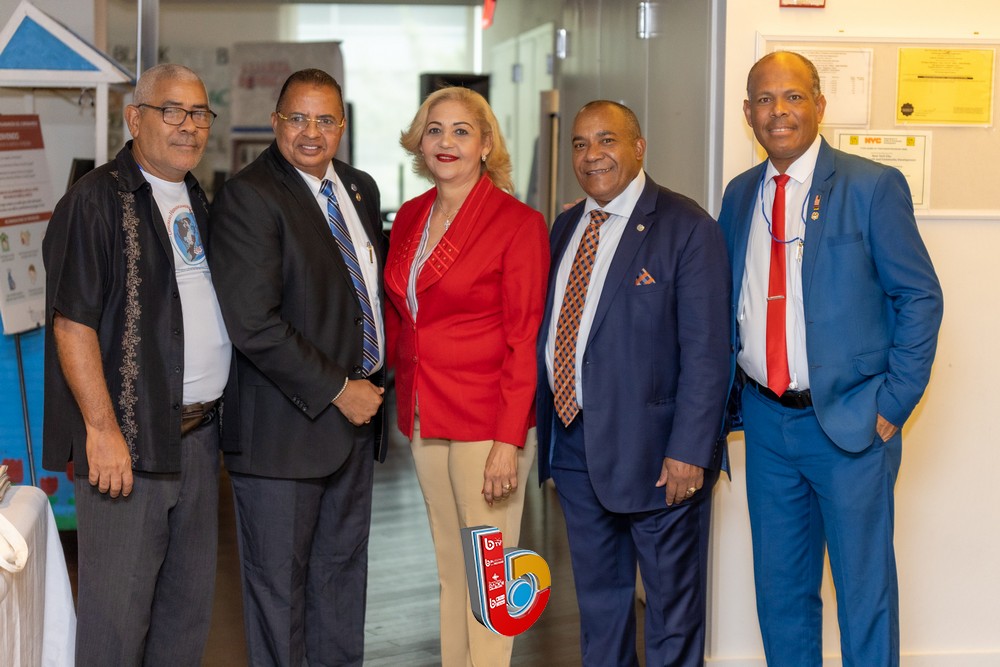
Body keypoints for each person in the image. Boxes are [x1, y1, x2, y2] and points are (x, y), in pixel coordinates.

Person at [719, 51, 944, 666]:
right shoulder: (739, 196)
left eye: (793, 96)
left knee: (864, 596)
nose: (779, 111)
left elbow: (919, 297)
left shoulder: (872, 186)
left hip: (850, 424)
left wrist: (893, 402)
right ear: (747, 114)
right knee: (781, 595)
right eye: (764, 99)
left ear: (819, 105)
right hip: (766, 426)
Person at [42, 63, 229, 665]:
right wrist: (101, 430)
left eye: (199, 113)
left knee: (185, 620)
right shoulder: (94, 201)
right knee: (115, 628)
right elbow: (71, 325)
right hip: (128, 448)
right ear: (134, 118)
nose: (188, 125)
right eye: (171, 111)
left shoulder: (197, 197)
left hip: (198, 442)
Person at [536, 100, 731, 666]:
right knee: (600, 609)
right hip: (576, 446)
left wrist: (689, 451)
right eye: (580, 144)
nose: (591, 154)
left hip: (660, 457)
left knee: (672, 614)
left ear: (639, 148)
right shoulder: (567, 225)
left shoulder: (687, 227)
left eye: (607, 140)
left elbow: (708, 352)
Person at [209, 69, 386, 666]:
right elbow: (253, 323)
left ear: (343, 125)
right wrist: (340, 389)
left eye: (325, 119)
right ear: (275, 121)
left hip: (354, 431)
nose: (312, 132)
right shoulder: (249, 196)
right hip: (283, 436)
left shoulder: (358, 188)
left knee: (342, 586)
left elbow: (361, 298)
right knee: (280, 600)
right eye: (298, 118)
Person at [385, 86, 549, 666]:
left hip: (487, 421)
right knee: (451, 570)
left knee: (489, 577)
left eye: (461, 131)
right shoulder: (411, 216)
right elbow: (404, 315)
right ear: (420, 142)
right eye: (435, 130)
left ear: (484, 144)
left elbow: (524, 339)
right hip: (425, 412)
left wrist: (509, 441)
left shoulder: (517, 223)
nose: (446, 142)